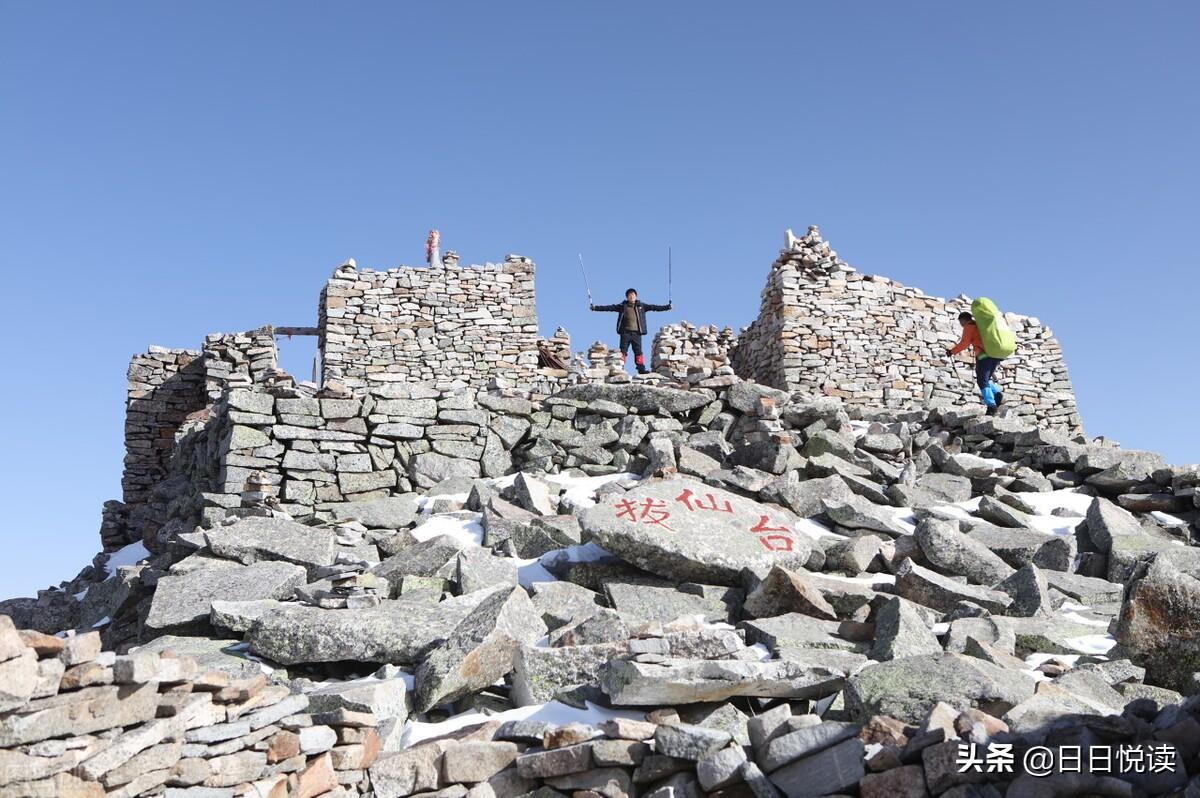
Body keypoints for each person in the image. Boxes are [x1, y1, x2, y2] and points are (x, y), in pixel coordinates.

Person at [590, 288, 671, 374]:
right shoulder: (622, 306)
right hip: (625, 333)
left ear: (636, 296)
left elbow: (654, 307)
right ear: (627, 297)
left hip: (637, 333)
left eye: (633, 295)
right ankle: (619, 367)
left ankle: (641, 369)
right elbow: (609, 308)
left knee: (638, 351)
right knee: (623, 351)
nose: (631, 297)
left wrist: (667, 307)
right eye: (629, 295)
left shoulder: (641, 306)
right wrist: (595, 308)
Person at [948, 310, 1007, 414]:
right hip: (994, 354)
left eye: (961, 322)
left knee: (982, 381)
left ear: (963, 320)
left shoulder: (969, 327)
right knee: (986, 378)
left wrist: (952, 351)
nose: (961, 325)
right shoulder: (979, 326)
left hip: (984, 356)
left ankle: (991, 406)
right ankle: (997, 395)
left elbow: (964, 343)